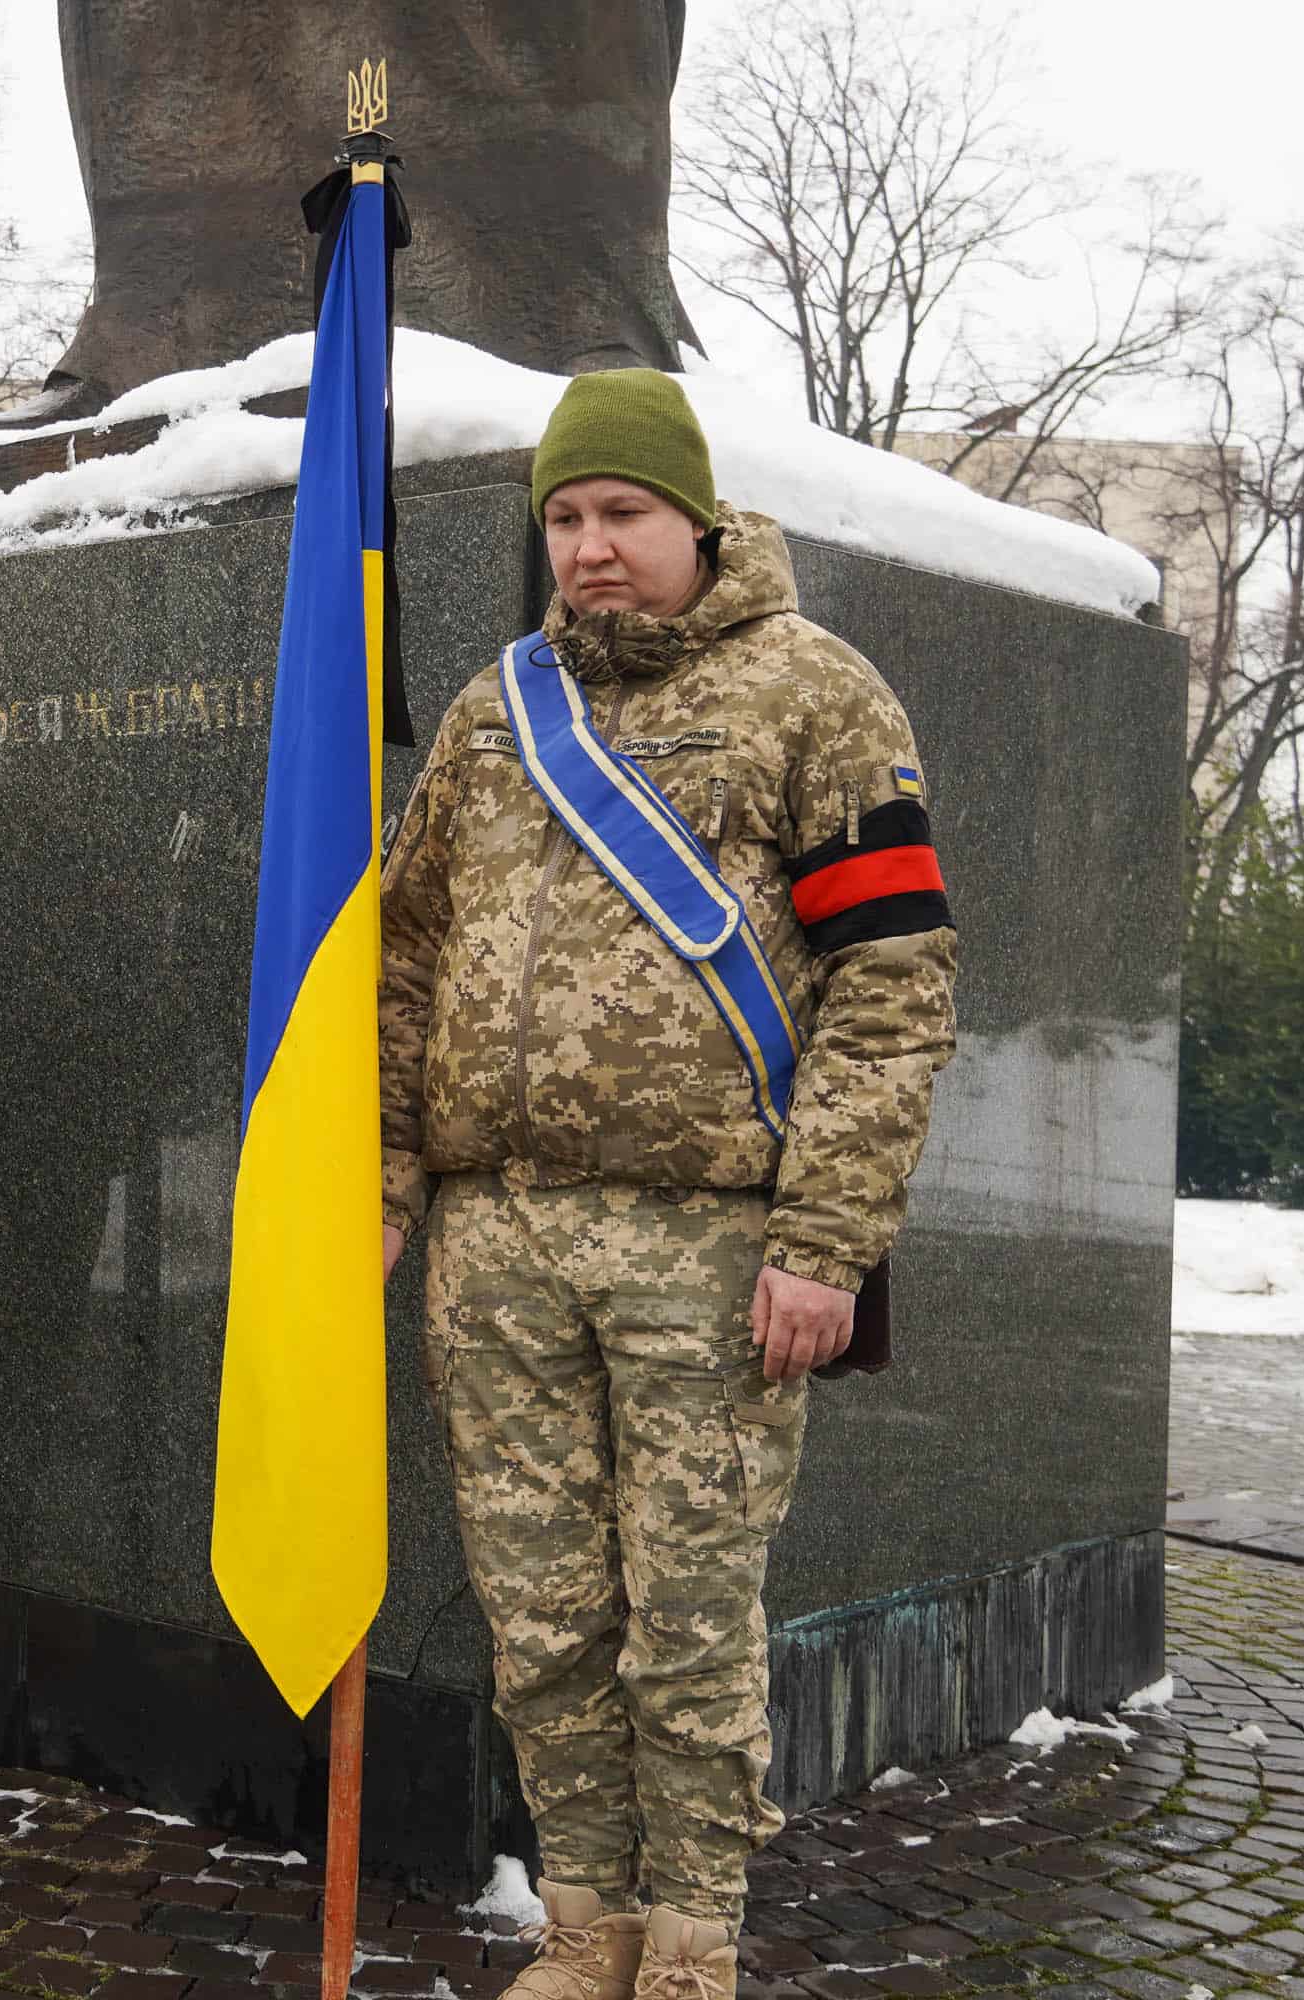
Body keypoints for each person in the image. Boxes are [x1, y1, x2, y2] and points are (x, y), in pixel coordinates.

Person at [377, 372, 957, 2000]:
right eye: (563, 519)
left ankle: (692, 1942)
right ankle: (587, 1924)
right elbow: (400, 961)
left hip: (708, 1247)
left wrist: (828, 1242)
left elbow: (892, 984)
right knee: (543, 1618)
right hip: (496, 1244)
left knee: (687, 1621)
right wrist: (383, 1179)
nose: (590, 548)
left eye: (621, 513)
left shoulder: (817, 696)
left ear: (696, 518)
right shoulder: (500, 714)